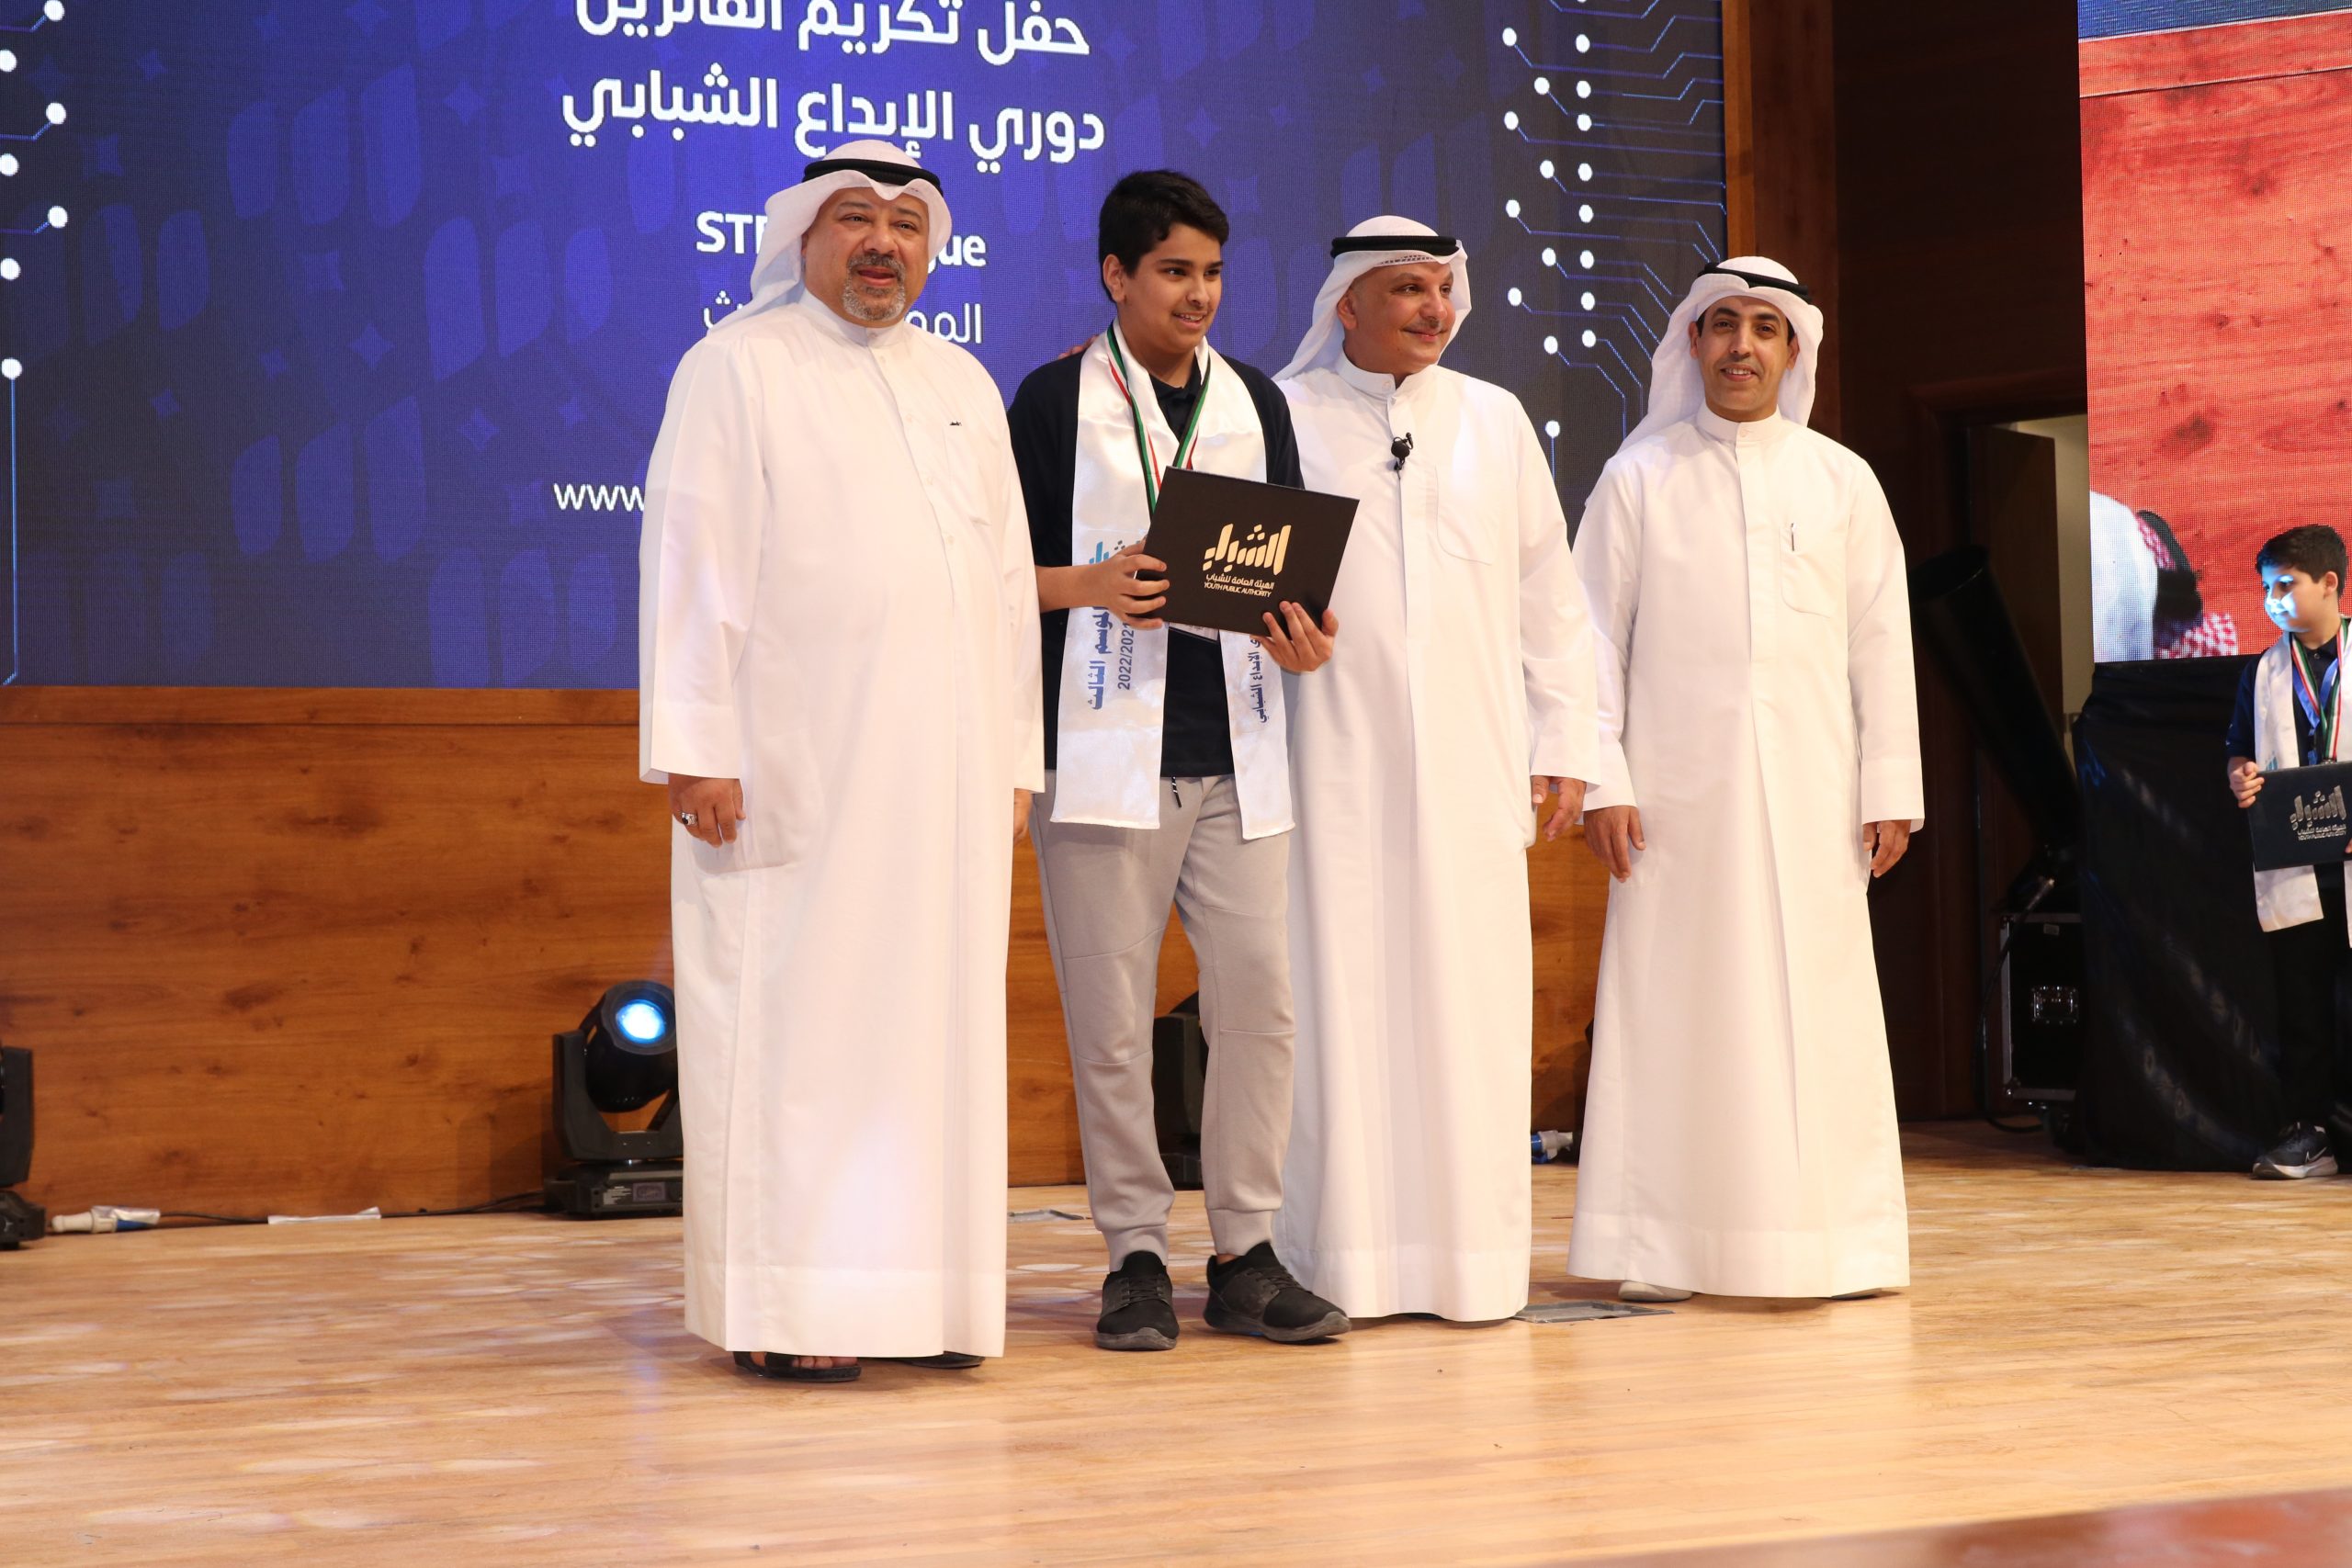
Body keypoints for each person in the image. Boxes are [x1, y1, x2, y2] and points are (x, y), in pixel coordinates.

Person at [638, 141, 1042, 1384]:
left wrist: (1016, 759)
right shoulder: (736, 366)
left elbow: (1006, 583)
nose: (884, 244)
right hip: (794, 765)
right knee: (797, 1033)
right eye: (857, 219)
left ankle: (929, 1299)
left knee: (933, 1039)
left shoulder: (962, 381)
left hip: (949, 782)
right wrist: (695, 747)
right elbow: (693, 560)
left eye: (908, 225)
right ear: (804, 236)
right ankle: (791, 1302)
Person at [1008, 170, 1349, 1351]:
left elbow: (1290, 579)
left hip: (1240, 752)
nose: (1197, 294)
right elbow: (990, 575)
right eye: (1171, 272)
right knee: (1110, 1021)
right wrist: (1088, 585)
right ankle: (1135, 1254)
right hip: (1101, 755)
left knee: (1259, 1011)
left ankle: (1245, 1251)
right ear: (1116, 275)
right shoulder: (1052, 400)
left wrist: (1305, 640)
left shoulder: (1255, 400)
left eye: (1210, 273)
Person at [1566, 256, 1923, 1303]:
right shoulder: (1637, 477)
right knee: (1678, 1011)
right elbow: (1589, 639)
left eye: (1765, 328)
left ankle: (1834, 1245)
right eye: (1723, 324)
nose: (1741, 346)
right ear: (1692, 342)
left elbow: (1880, 643)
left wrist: (1889, 786)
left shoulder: (1842, 480)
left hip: (1818, 799)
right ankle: (1661, 1247)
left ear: (1793, 349)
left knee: (1819, 1012)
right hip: (1673, 805)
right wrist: (1602, 778)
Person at [1270, 218, 1599, 1322]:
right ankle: (1338, 1262)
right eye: (1406, 289)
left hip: (1470, 760)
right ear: (1347, 304)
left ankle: (1470, 1263)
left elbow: (1549, 600)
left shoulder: (1495, 421)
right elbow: (1232, 591)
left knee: (1470, 1001)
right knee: (1336, 998)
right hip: (1326, 757)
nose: (1432, 308)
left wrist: (1568, 741)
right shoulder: (1280, 416)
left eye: (1442, 289)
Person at [2225, 524, 2352, 1179]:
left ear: (2330, 583)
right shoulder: (2264, 671)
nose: (2271, 600)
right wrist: (2240, 777)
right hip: (2299, 862)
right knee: (2301, 1005)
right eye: (2265, 588)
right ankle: (2310, 1134)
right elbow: (2237, 751)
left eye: (2284, 585)